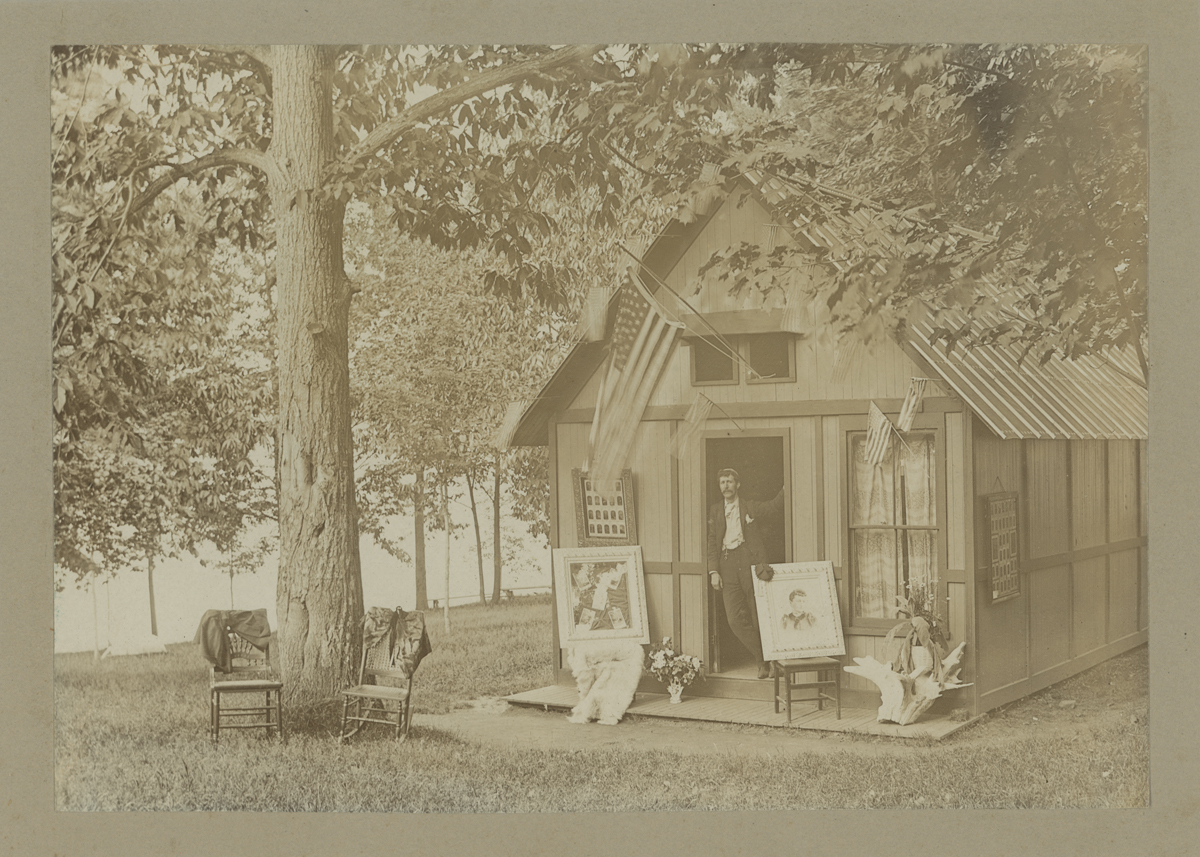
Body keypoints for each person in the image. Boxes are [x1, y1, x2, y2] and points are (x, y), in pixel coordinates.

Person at [706, 468, 785, 678]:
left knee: (758, 614)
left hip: (749, 562)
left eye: (730, 482)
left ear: (737, 484)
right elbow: (712, 542)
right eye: (722, 482)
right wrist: (714, 571)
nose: (726, 486)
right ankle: (761, 656)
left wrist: (788, 487)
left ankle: (766, 664)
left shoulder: (749, 507)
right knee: (734, 619)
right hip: (727, 565)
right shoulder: (715, 511)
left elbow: (774, 507)